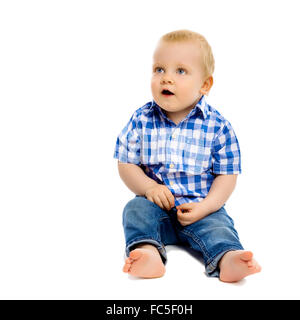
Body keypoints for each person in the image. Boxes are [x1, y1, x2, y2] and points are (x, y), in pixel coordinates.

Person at [113, 30, 261, 282]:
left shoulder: (217, 127)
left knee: (219, 226)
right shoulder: (141, 119)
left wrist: (206, 206)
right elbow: (126, 162)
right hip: (156, 207)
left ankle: (228, 257)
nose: (166, 79)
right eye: (159, 69)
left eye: (180, 71)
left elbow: (227, 176)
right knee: (135, 210)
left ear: (205, 85)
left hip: (201, 207)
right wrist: (148, 187)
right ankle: (147, 252)